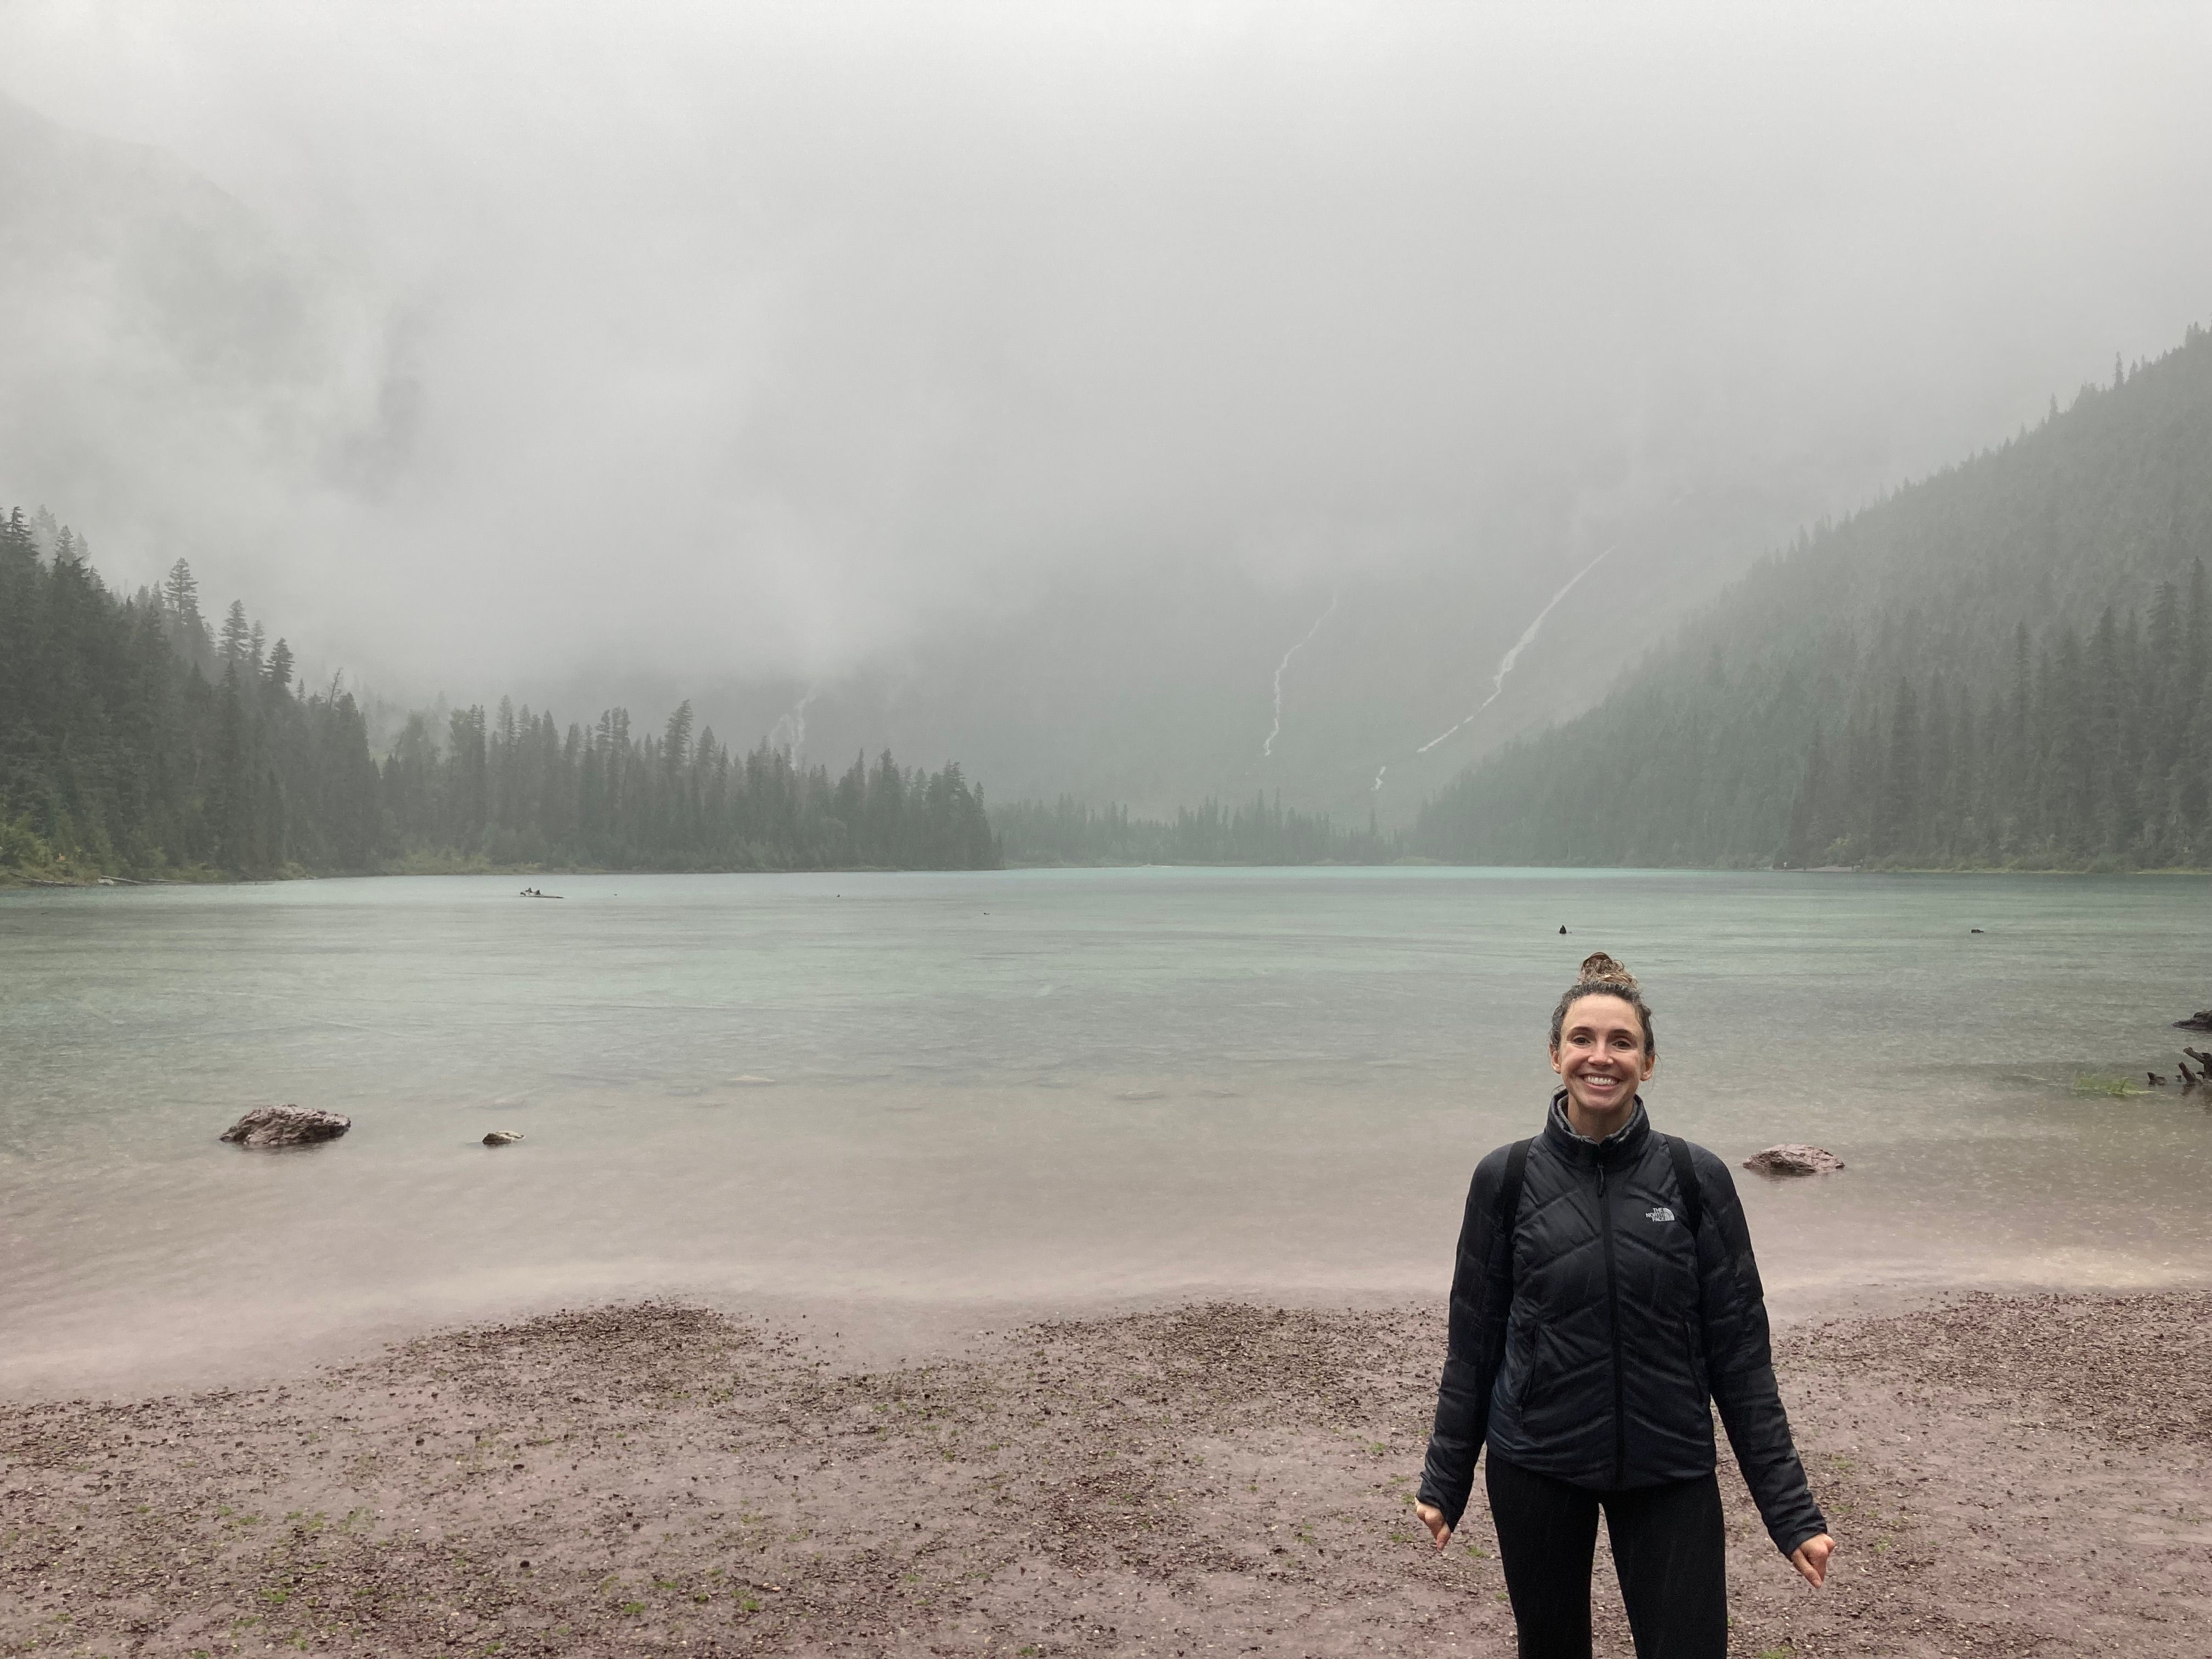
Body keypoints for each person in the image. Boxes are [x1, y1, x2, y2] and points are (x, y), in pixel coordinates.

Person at [1415, 952, 1833, 1659]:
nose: (1599, 1057)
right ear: (1555, 1055)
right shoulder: (1507, 1178)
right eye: (1582, 1040)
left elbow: (1741, 1356)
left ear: (1648, 1061)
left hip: (1668, 1465)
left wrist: (1790, 1511)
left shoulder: (1696, 1179)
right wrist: (1446, 1479)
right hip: (1538, 1464)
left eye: (1621, 1042)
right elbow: (1475, 1342)